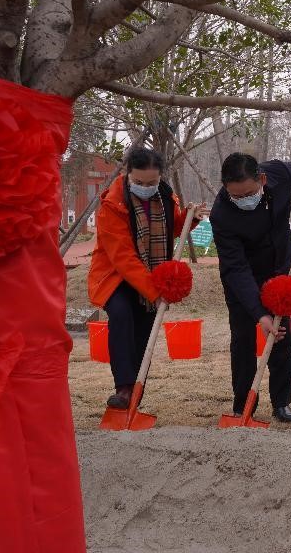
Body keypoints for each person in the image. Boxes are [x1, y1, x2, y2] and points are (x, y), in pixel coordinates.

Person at [88, 148, 205, 408]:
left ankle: (137, 389)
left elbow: (170, 230)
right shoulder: (112, 205)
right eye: (139, 182)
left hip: (152, 271)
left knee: (144, 330)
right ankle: (124, 387)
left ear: (160, 177)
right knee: (121, 316)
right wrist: (155, 291)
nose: (145, 187)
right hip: (116, 276)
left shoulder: (166, 197)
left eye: (151, 182)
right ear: (127, 173)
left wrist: (189, 219)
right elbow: (123, 257)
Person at [210, 152, 291, 423]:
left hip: (282, 267)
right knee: (242, 339)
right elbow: (236, 268)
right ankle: (243, 404)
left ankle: (282, 402)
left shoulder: (279, 173)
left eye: (248, 193)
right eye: (236, 196)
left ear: (262, 179)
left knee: (282, 335)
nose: (243, 200)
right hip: (243, 276)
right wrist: (260, 314)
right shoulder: (221, 214)